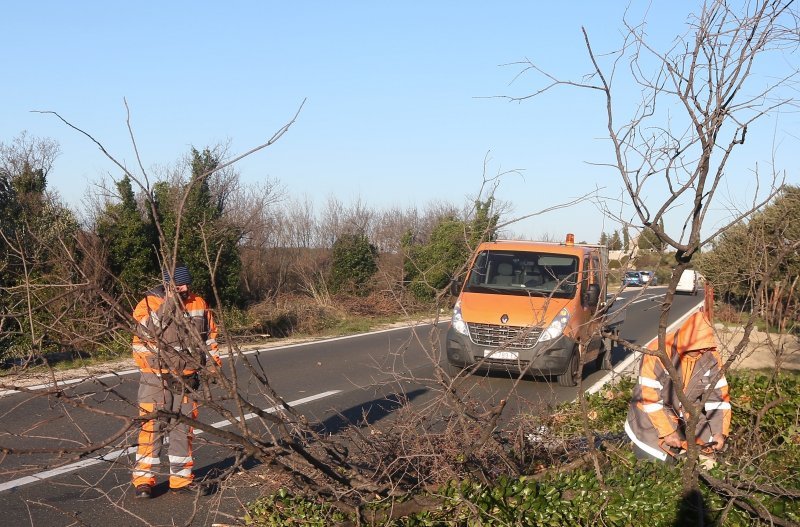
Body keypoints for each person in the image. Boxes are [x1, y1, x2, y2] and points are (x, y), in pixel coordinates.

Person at [130, 265, 222, 499]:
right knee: (152, 428)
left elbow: (210, 338)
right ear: (166, 285)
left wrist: (213, 366)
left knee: (183, 430)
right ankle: (143, 482)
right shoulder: (148, 304)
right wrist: (170, 303)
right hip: (155, 377)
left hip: (187, 378)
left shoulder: (199, 303)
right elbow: (150, 330)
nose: (183, 288)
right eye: (177, 285)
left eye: (185, 284)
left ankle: (181, 481)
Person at [625, 310, 731, 463]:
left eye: (705, 347)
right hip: (649, 418)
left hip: (685, 416)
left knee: (707, 455)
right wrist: (667, 432)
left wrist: (719, 432)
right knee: (658, 465)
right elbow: (649, 398)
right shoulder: (659, 352)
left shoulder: (711, 357)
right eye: (698, 347)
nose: (702, 351)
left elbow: (719, 399)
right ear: (685, 342)